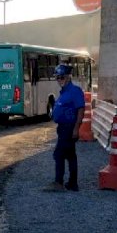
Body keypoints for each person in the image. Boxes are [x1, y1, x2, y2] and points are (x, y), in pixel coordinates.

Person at [44, 64, 85, 192]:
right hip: (63, 128)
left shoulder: (75, 91)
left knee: (59, 154)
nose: (59, 80)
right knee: (70, 155)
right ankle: (73, 184)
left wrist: (76, 128)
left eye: (61, 77)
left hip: (69, 128)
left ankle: (58, 183)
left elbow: (81, 109)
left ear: (68, 77)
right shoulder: (64, 92)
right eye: (57, 78)